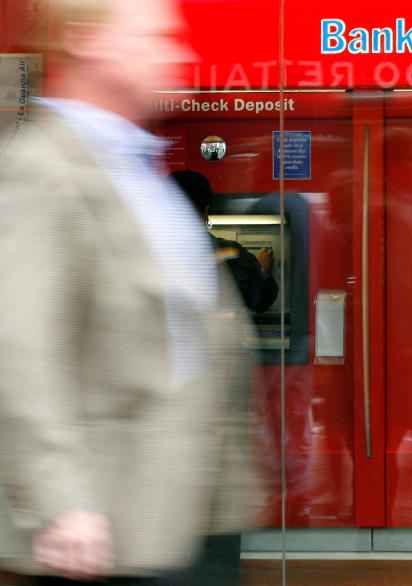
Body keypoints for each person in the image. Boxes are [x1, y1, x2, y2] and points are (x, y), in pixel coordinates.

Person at [0, 0, 256, 583]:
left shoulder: (136, 168)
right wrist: (59, 501)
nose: (181, 55)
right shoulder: (42, 168)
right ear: (90, 41)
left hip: (181, 514)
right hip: (101, 528)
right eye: (158, 38)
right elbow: (20, 347)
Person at [170, 169, 280, 313]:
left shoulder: (150, 254)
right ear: (206, 211)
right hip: (217, 334)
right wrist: (262, 270)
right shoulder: (233, 255)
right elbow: (260, 301)